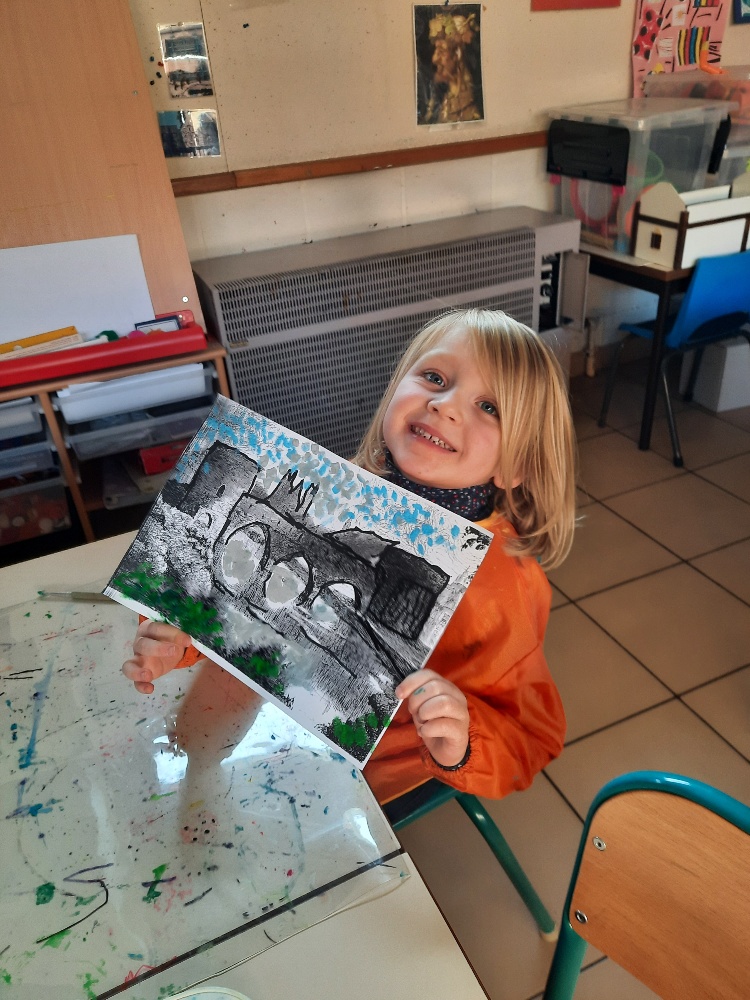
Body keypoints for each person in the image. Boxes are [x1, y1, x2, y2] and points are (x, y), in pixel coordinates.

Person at [122, 308, 576, 822]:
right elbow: (235, 610)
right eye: (434, 377)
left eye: (489, 406)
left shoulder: (507, 586)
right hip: (266, 727)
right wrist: (179, 635)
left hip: (364, 777)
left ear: (517, 465)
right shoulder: (343, 496)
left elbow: (531, 738)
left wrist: (464, 738)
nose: (444, 405)